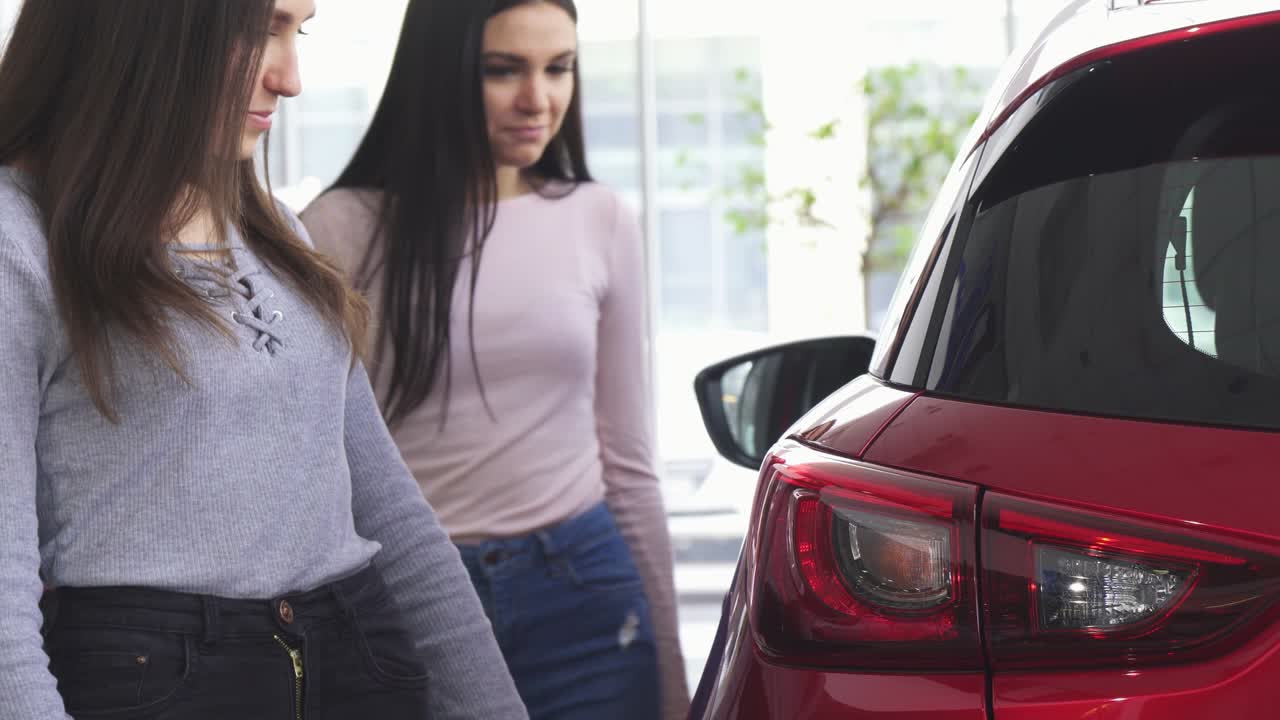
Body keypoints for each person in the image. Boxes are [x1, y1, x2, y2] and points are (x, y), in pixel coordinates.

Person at [0, 1, 527, 718]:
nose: (290, 78)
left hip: (361, 654)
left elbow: (392, 513)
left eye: (297, 32)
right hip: (160, 679)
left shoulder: (274, 226)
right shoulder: (19, 243)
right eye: (258, 32)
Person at [301, 1, 689, 718]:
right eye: (503, 70)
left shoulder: (598, 218)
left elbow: (630, 461)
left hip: (585, 594)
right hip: (415, 601)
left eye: (559, 68)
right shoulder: (339, 230)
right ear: (440, 74)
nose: (538, 100)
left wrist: (672, 669)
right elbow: (313, 465)